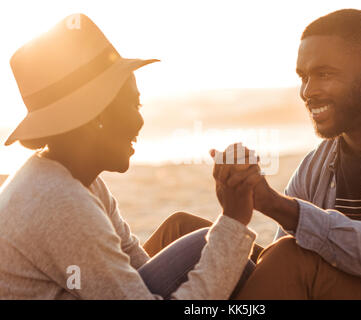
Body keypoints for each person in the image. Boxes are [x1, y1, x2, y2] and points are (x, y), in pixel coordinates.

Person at [162, 9, 361, 300]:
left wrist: (276, 205)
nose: (308, 91)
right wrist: (238, 201)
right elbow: (275, 263)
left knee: (292, 257)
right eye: (304, 77)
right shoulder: (316, 164)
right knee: (184, 231)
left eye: (324, 74)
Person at [0, 14, 262, 299]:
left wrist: (228, 232)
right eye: (133, 104)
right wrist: (234, 221)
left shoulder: (76, 182)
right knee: (210, 246)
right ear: (96, 116)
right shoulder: (61, 202)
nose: (140, 121)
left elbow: (137, 270)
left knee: (209, 248)